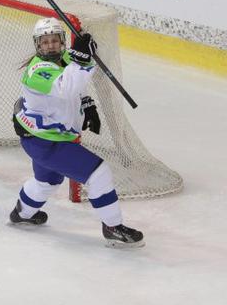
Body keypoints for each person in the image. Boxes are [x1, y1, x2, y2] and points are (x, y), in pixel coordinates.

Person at [10, 17, 144, 248]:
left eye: (55, 40)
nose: (51, 45)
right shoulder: (38, 71)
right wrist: (83, 59)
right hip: (48, 142)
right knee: (99, 173)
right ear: (37, 45)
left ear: (62, 41)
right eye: (45, 42)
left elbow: (74, 82)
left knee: (47, 182)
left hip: (41, 139)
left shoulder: (63, 59)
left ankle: (22, 213)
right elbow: (66, 86)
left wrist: (88, 104)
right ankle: (112, 226)